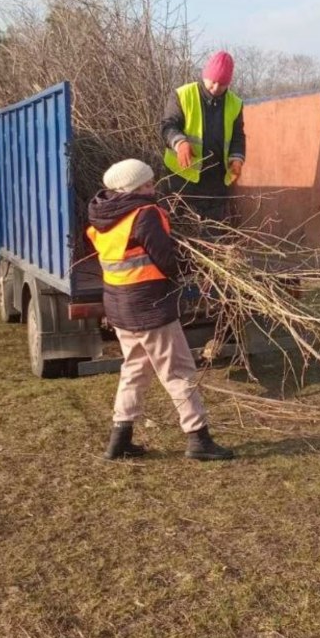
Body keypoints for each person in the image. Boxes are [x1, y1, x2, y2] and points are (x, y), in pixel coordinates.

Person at [86, 158, 235, 462]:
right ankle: (198, 439)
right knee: (179, 370)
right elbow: (166, 261)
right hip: (149, 307)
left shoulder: (102, 219)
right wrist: (192, 262)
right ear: (132, 189)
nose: (153, 188)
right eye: (147, 184)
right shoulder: (144, 214)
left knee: (134, 369)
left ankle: (119, 439)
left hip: (120, 307)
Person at [160, 51, 245, 224]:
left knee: (213, 228)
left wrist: (237, 159)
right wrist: (180, 142)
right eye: (213, 81)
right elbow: (168, 125)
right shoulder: (182, 95)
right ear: (205, 75)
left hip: (216, 180)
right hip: (181, 177)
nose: (215, 88)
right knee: (178, 223)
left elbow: (238, 136)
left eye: (221, 84)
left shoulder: (235, 103)